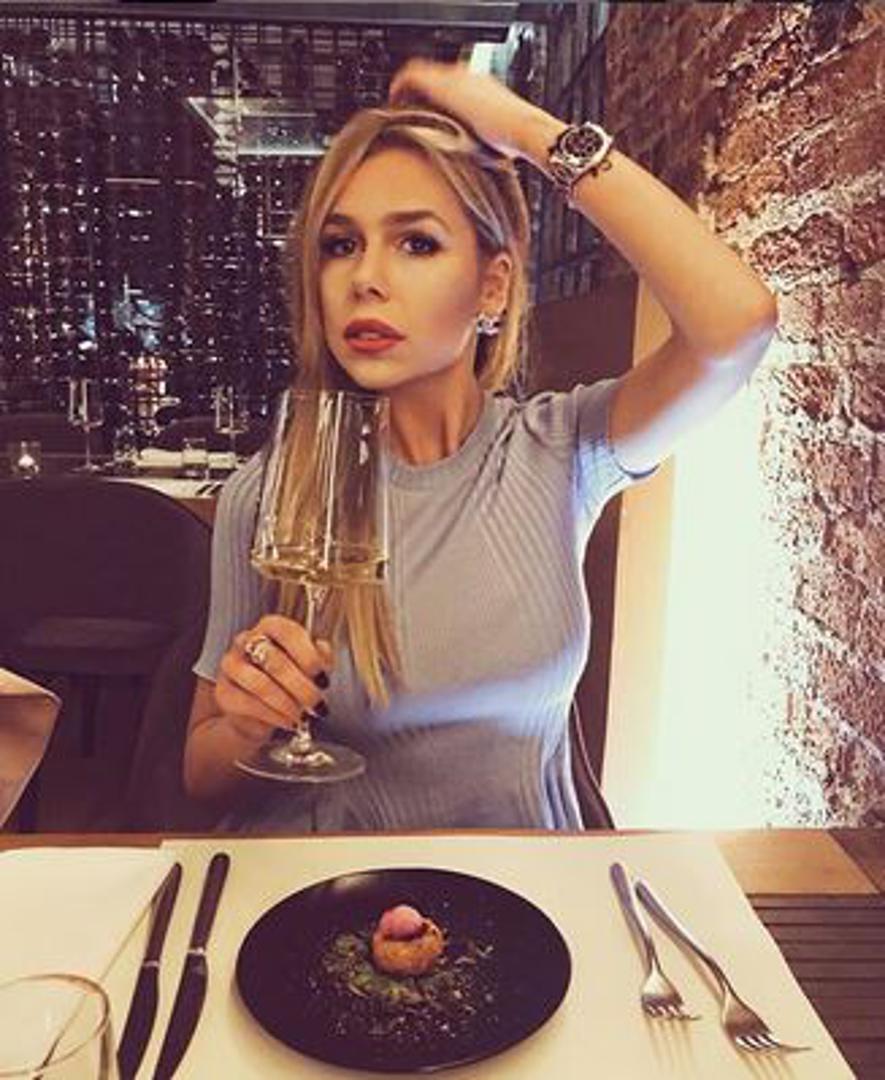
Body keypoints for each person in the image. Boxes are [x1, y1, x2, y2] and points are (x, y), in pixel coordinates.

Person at [183, 59, 778, 831]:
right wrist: (242, 724)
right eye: (339, 244)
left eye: (416, 243)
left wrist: (529, 131)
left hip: (534, 887)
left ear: (492, 287)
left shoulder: (560, 450)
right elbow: (202, 779)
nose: (365, 278)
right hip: (337, 884)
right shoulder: (272, 493)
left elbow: (736, 324)